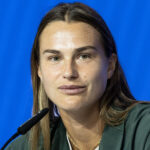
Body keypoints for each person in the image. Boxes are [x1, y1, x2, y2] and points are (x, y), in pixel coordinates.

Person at [6, 2, 150, 150]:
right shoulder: (27, 146)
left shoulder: (145, 130)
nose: (69, 73)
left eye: (84, 56)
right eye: (55, 58)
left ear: (110, 66)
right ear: (39, 70)